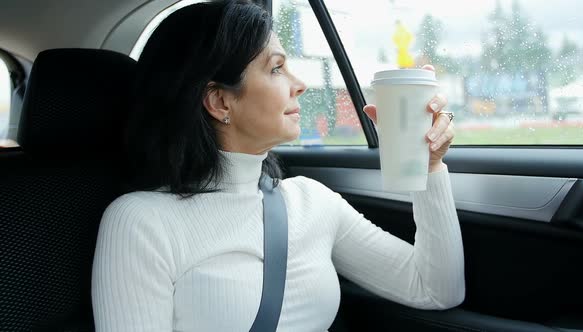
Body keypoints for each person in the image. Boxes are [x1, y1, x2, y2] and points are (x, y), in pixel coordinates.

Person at [91, 0, 465, 331]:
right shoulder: (141, 223)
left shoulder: (313, 202)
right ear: (220, 101)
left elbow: (435, 289)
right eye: (276, 69)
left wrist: (428, 167)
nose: (300, 84)